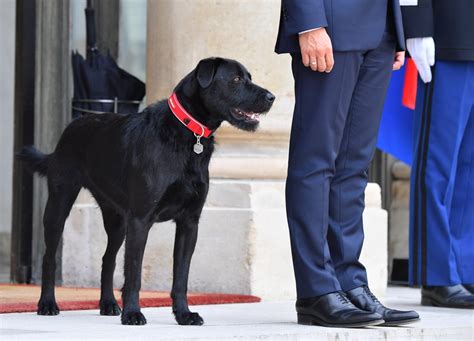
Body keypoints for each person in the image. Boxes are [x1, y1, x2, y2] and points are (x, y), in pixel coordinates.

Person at [275, 0, 420, 327]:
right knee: (315, 161)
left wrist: (396, 31)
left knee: (354, 166)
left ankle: (350, 283)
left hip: (381, 29)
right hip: (329, 24)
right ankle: (316, 291)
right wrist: (309, 22)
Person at [402, 0, 474, 308]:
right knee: (437, 163)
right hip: (447, 34)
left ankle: (466, 267)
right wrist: (416, 23)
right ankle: (437, 275)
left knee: (470, 169)